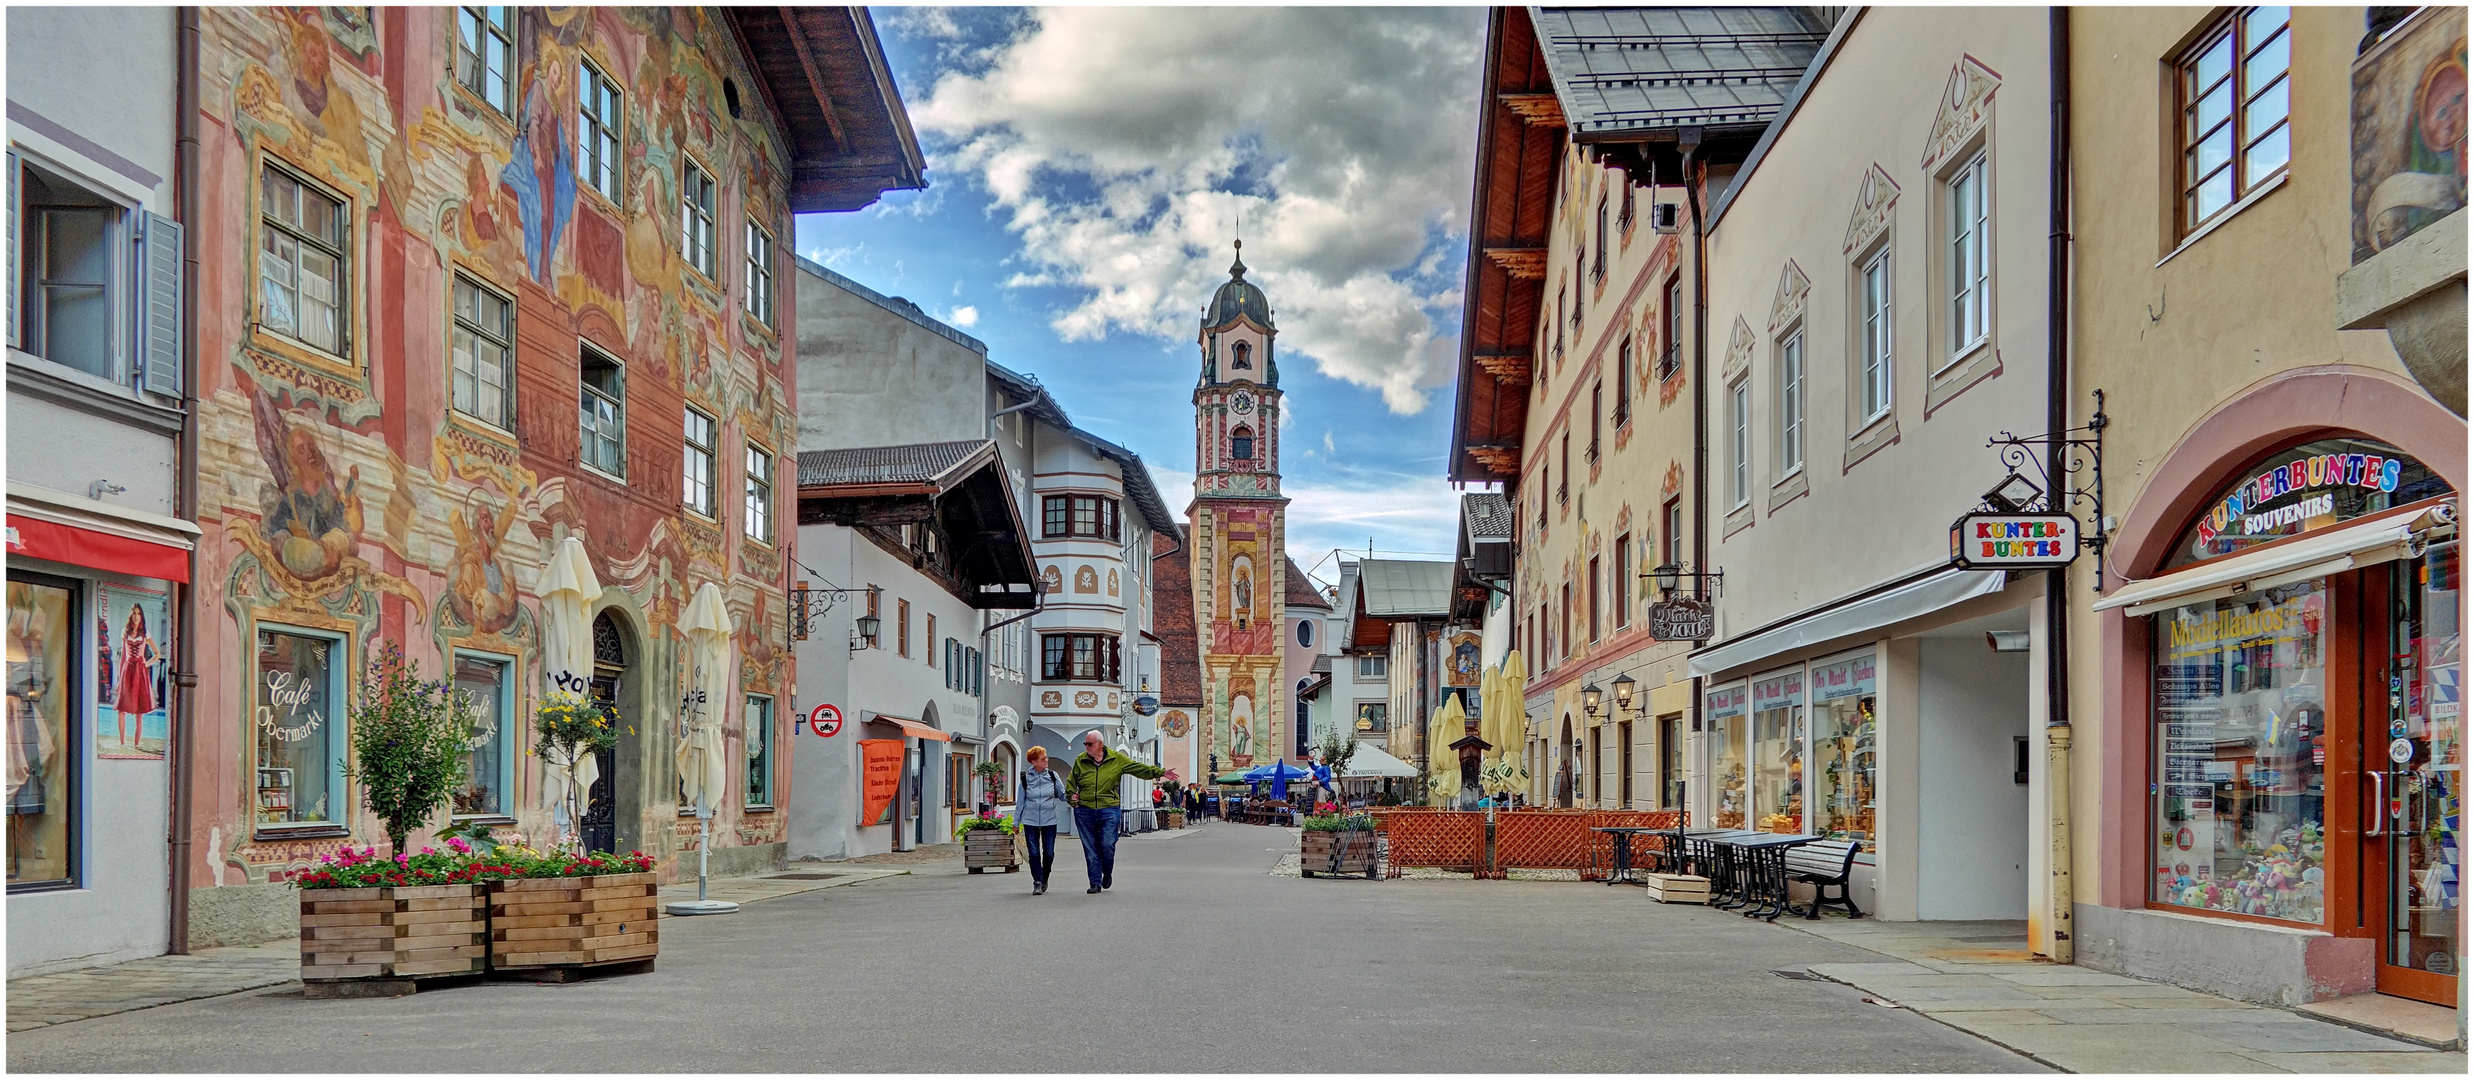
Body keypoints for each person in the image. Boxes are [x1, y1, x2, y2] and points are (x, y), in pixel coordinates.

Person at [1065, 729, 1165, 894]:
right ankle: (1095, 882)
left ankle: (1107, 872)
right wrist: (1071, 798)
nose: (1086, 747)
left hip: (1109, 808)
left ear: (1100, 745)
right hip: (1084, 810)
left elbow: (1137, 768)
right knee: (1090, 848)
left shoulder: (1116, 758)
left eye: (1089, 744)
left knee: (1107, 844)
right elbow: (1071, 782)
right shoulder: (1080, 761)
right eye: (1085, 744)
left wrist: (1160, 773)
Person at [1016, 746, 1068, 895]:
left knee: (1049, 853)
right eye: (1043, 758)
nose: (1047, 760)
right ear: (1034, 762)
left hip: (1049, 819)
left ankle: (1045, 876)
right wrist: (1016, 823)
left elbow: (1062, 795)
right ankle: (1037, 882)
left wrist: (1073, 797)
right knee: (1033, 853)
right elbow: (1020, 802)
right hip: (1030, 820)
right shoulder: (1026, 779)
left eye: (1046, 757)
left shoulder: (1052, 776)